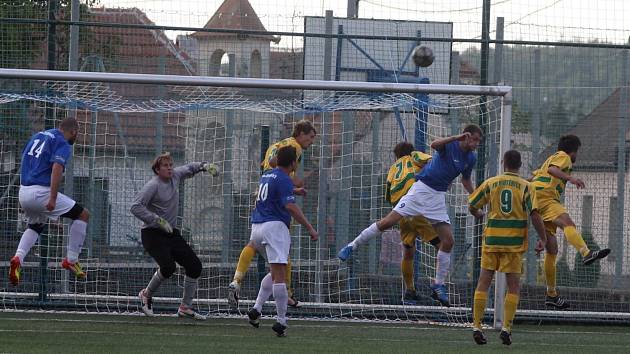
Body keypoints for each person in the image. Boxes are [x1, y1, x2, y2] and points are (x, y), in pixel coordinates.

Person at [338, 124, 483, 307]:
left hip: (436, 198)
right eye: (475, 139)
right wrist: (456, 137)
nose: (477, 143)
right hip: (420, 190)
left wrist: (476, 198)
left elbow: (465, 179)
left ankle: (438, 285)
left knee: (448, 241)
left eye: (479, 141)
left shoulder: (471, 158)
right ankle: (352, 246)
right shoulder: (450, 145)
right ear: (466, 136)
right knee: (387, 223)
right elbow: (434, 145)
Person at [228, 120, 317, 308]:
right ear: (300, 133)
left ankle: (237, 280)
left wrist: (293, 189)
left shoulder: (277, 144)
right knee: (282, 255)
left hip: (263, 195)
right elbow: (284, 175)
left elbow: (269, 165)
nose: (310, 142)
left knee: (253, 243)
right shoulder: (294, 148)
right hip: (276, 211)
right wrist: (298, 186)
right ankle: (287, 294)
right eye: (310, 137)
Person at [468, 150, 547, 346]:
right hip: (513, 244)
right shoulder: (526, 186)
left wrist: (478, 214)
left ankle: (477, 326)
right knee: (513, 286)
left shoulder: (491, 182)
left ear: (503, 163)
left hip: (492, 241)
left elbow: (472, 204)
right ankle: (506, 328)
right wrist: (543, 238)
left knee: (483, 282)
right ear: (520, 165)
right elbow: (535, 215)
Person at [131, 152, 218, 320]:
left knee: (195, 266)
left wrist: (205, 166)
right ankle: (146, 295)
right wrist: (156, 219)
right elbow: (135, 207)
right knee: (168, 267)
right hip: (152, 233)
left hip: (170, 232)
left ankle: (185, 307)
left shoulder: (175, 175)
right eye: (165, 166)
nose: (170, 168)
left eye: (171, 165)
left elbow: (190, 168)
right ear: (157, 169)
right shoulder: (152, 186)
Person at [245, 146, 318, 337]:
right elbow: (290, 206)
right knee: (280, 275)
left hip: (257, 229)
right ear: (294, 163)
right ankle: (281, 320)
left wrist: (295, 190)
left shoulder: (267, 175)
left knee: (275, 271)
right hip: (274, 227)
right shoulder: (285, 179)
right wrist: (309, 227)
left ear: (277, 160)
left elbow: (276, 190)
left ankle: (257, 308)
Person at [531, 134, 610, 309]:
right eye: (577, 152)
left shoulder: (549, 159)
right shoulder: (563, 157)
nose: (577, 156)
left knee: (552, 250)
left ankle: (551, 294)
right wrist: (571, 178)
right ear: (573, 150)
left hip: (538, 200)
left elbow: (534, 178)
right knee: (569, 224)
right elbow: (552, 170)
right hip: (546, 198)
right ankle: (585, 253)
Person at [9, 117, 89, 286]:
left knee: (36, 226)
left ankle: (18, 258)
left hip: (24, 191)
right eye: (78, 133)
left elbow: (26, 161)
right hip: (42, 193)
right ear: (73, 131)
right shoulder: (63, 143)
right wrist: (52, 197)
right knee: (82, 215)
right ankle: (72, 259)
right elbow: (56, 168)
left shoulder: (37, 136)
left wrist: (24, 196)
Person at [384, 142, 440, 304]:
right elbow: (432, 160)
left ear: (396, 156)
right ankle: (438, 286)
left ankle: (410, 290)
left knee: (408, 250)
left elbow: (388, 193)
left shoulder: (394, 167)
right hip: (415, 206)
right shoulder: (415, 156)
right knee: (443, 245)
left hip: (400, 211)